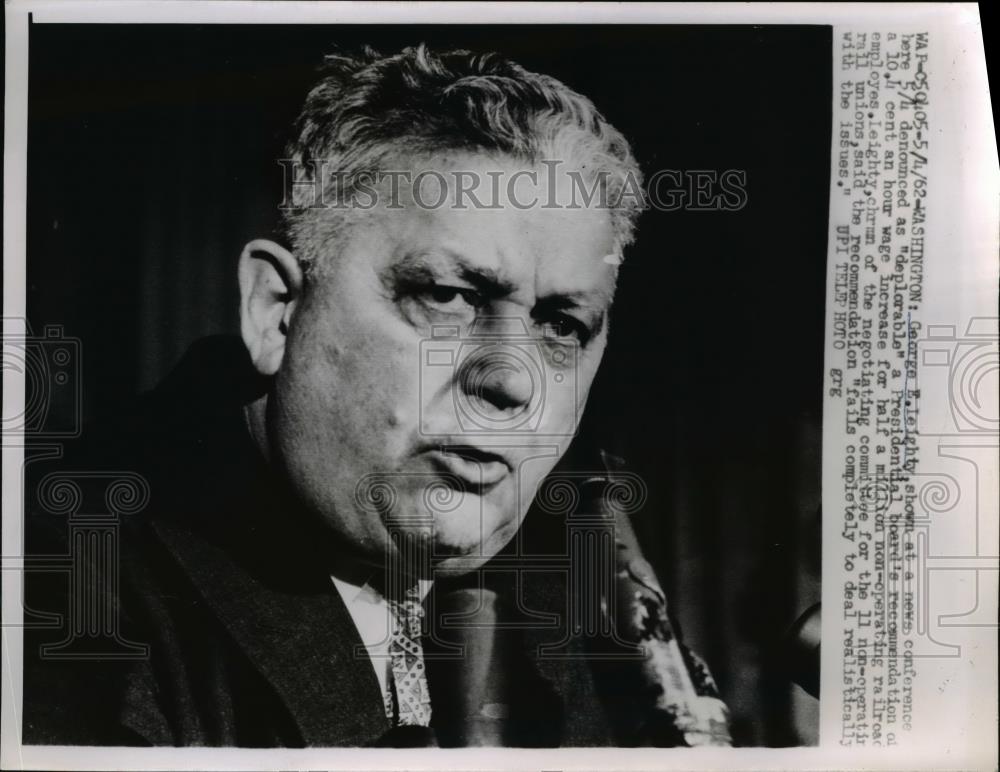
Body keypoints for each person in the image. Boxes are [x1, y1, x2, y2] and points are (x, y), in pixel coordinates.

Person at [23, 44, 727, 747]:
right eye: (448, 297)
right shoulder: (54, 590)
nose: (514, 382)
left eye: (561, 326)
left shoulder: (590, 592)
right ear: (275, 312)